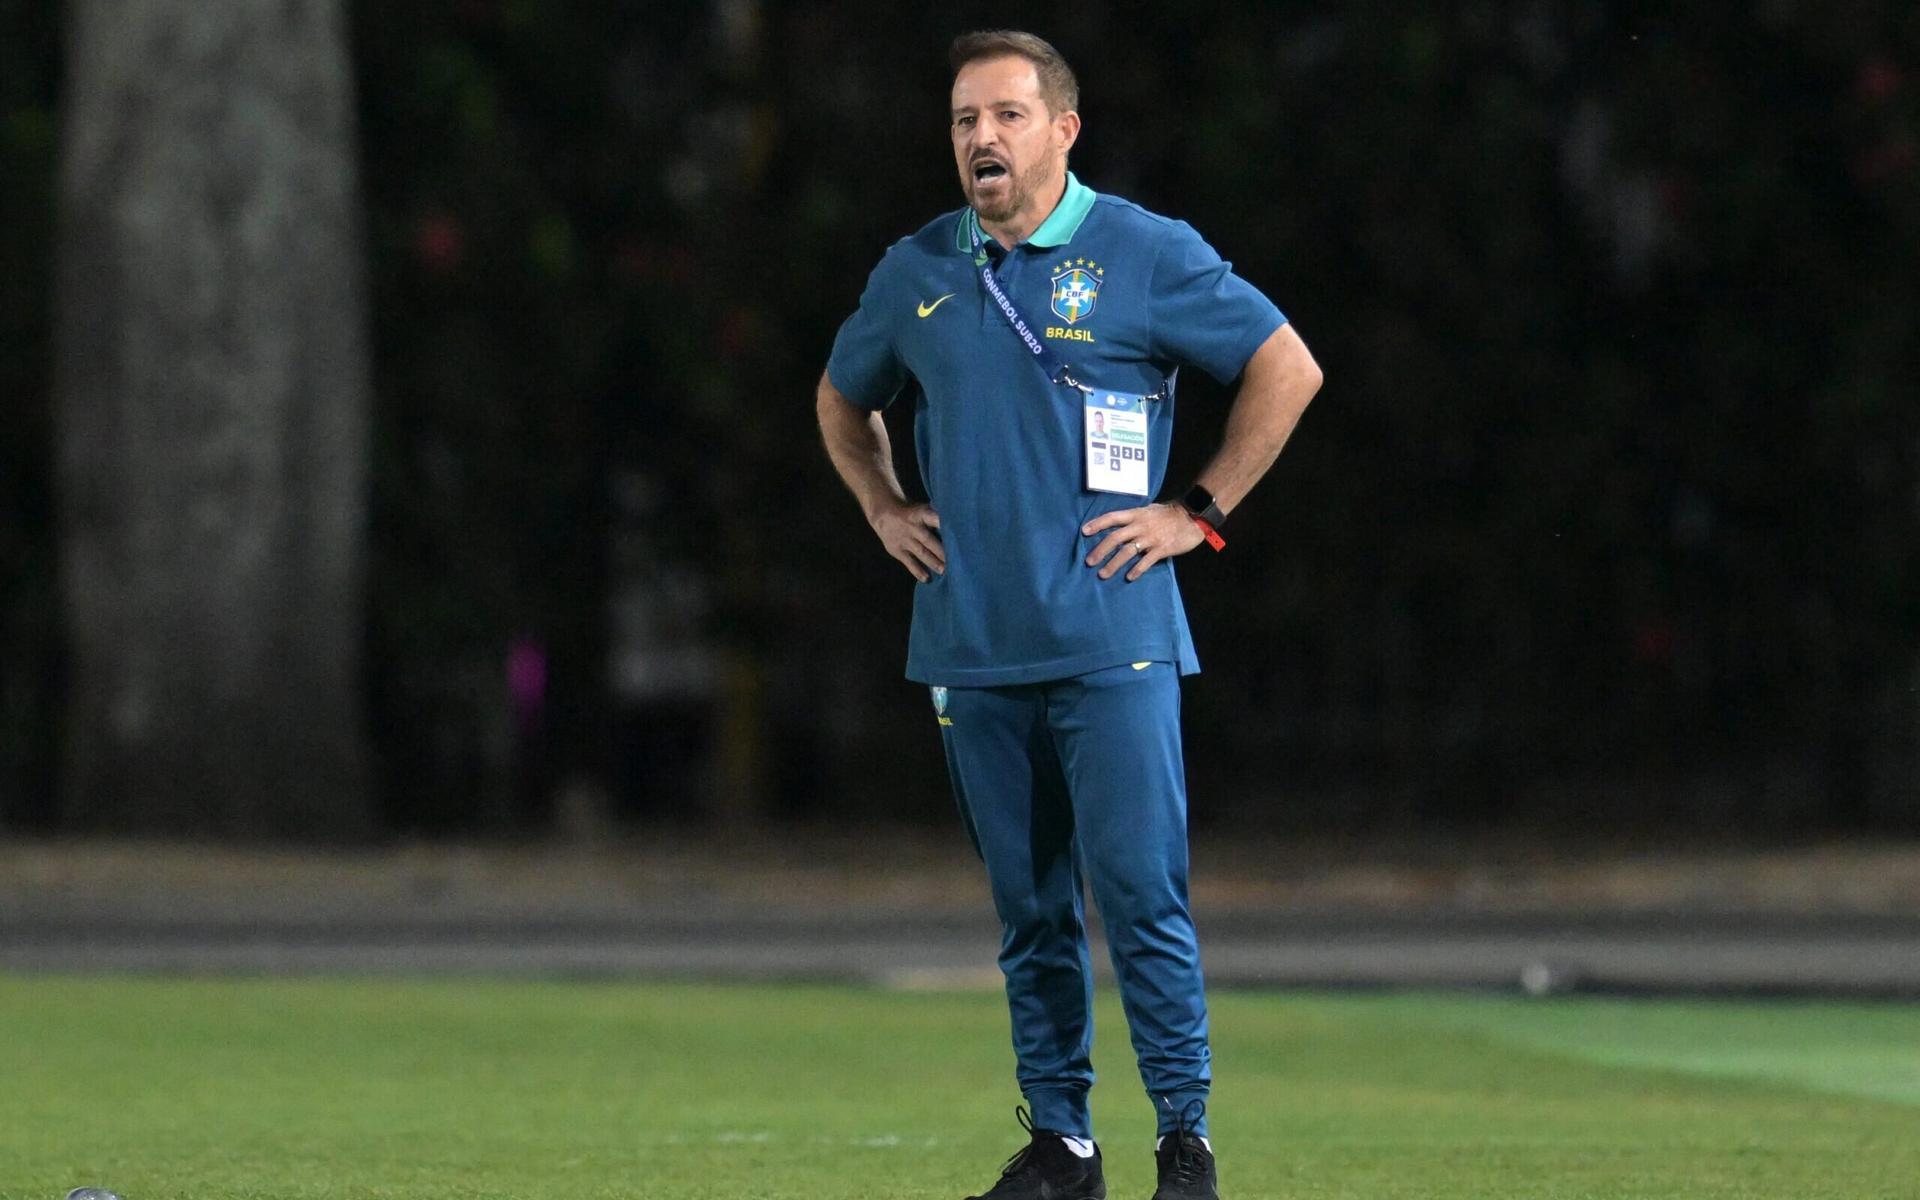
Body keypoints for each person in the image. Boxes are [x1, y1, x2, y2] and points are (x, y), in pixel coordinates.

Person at [814, 29, 1322, 1200]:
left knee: (1141, 898)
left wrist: (1197, 512)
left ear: (1062, 130)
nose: (980, 139)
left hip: (1112, 639)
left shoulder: (1143, 251)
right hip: (972, 647)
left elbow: (1286, 365)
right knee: (1030, 912)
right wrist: (885, 507)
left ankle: (1183, 1144)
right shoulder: (918, 270)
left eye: (1004, 115)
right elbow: (844, 402)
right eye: (961, 121)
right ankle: (1063, 1147)